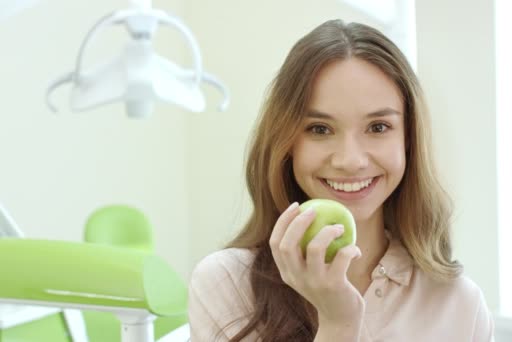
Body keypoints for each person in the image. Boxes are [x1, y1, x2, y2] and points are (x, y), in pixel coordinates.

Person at [188, 19, 495, 342]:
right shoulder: (226, 284)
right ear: (287, 143)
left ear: (408, 139)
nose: (350, 160)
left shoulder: (460, 305)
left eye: (378, 127)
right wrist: (338, 323)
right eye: (320, 129)